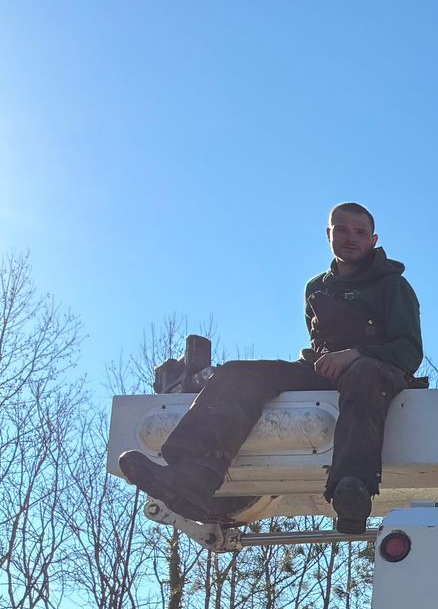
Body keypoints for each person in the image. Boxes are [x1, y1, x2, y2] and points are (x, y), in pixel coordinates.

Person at [119, 201, 422, 533]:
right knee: (238, 372)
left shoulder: (394, 286)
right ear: (328, 234)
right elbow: (319, 345)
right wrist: (320, 362)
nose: (352, 238)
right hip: (324, 372)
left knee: (363, 375)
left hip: (377, 374)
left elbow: (408, 351)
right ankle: (193, 476)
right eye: (343, 230)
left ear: (374, 239)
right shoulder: (315, 287)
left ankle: (353, 491)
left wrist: (355, 354)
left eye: (361, 232)